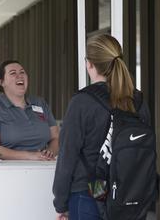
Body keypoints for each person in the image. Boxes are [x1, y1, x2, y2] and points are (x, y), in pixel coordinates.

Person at [52, 34, 151, 220]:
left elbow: (67, 155)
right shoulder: (138, 100)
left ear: (89, 64)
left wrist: (61, 203)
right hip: (130, 193)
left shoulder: (82, 101)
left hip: (90, 192)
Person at [0, 60, 59, 160]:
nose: (19, 76)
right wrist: (31, 156)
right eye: (13, 73)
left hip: (43, 166)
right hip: (9, 170)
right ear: (1, 82)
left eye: (22, 72)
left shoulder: (40, 103)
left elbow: (56, 138)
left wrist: (49, 153)